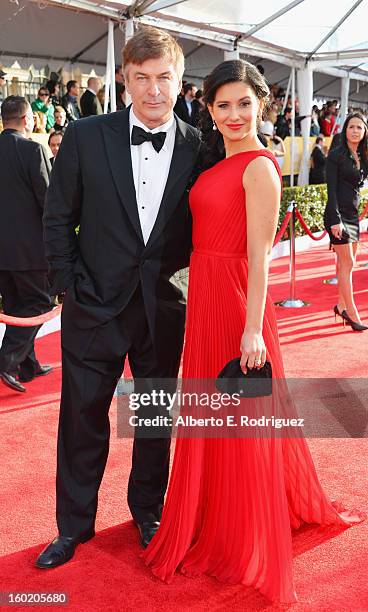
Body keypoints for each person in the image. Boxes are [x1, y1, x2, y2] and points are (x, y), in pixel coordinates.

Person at [142, 60, 364, 604]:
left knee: (240, 421)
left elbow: (261, 258)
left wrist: (251, 331)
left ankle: (242, 531)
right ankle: (213, 511)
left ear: (262, 104)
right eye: (223, 105)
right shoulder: (217, 160)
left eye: (244, 103)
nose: (234, 114)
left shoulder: (260, 166)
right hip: (208, 299)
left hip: (240, 304)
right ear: (209, 109)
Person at [37, 26, 201, 569]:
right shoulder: (87, 135)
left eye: (164, 78)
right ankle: (72, 526)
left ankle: (148, 513)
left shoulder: (202, 145)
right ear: (124, 79)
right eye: (141, 78)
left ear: (180, 81)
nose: (153, 90)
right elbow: (58, 216)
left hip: (162, 311)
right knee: (82, 419)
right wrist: (67, 285)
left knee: (154, 420)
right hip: (93, 306)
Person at [0, 96, 53, 393]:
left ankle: (27, 364)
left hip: (2, 252)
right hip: (29, 250)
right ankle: (6, 361)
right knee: (38, 305)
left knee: (15, 308)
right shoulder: (33, 149)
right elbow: (49, 202)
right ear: (26, 119)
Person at [324, 112, 368, 331]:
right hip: (338, 215)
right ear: (345, 129)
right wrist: (334, 219)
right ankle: (351, 311)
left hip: (353, 215)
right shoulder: (336, 155)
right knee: (349, 263)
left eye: (360, 128)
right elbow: (330, 190)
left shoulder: (363, 155)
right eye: (352, 127)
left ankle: (341, 305)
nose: (355, 131)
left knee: (345, 264)